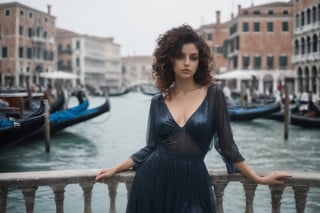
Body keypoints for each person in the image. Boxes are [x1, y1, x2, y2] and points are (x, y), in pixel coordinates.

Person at [96, 24, 289, 213]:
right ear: (169, 60)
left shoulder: (214, 94)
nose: (187, 62)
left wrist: (259, 179)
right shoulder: (157, 101)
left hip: (193, 182)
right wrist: (116, 168)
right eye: (180, 56)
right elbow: (151, 147)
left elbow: (228, 147)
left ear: (200, 61)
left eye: (193, 57)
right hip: (152, 180)